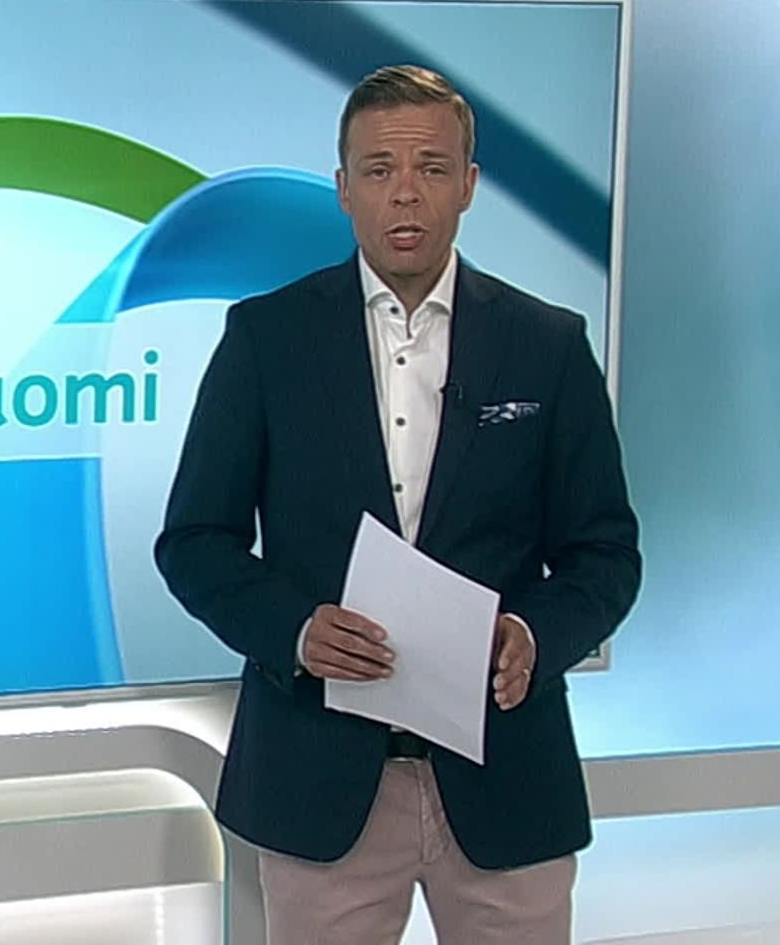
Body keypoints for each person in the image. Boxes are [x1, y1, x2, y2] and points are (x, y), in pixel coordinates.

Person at [155, 64, 640, 944]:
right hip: (321, 779)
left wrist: (534, 636)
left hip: (505, 774)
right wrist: (295, 630)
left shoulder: (548, 344)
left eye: (431, 168)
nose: (405, 193)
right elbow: (194, 540)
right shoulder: (267, 338)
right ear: (345, 189)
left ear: (469, 185)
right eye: (379, 170)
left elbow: (604, 553)